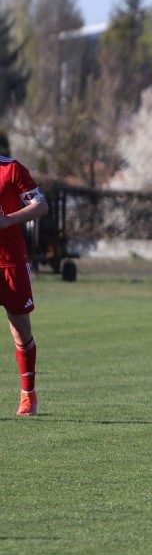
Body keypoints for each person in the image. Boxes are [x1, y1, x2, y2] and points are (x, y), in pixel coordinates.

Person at [0, 150, 49, 417]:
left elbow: (41, 206)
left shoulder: (11, 169)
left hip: (10, 263)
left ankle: (28, 395)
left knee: (21, 331)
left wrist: (8, 220)